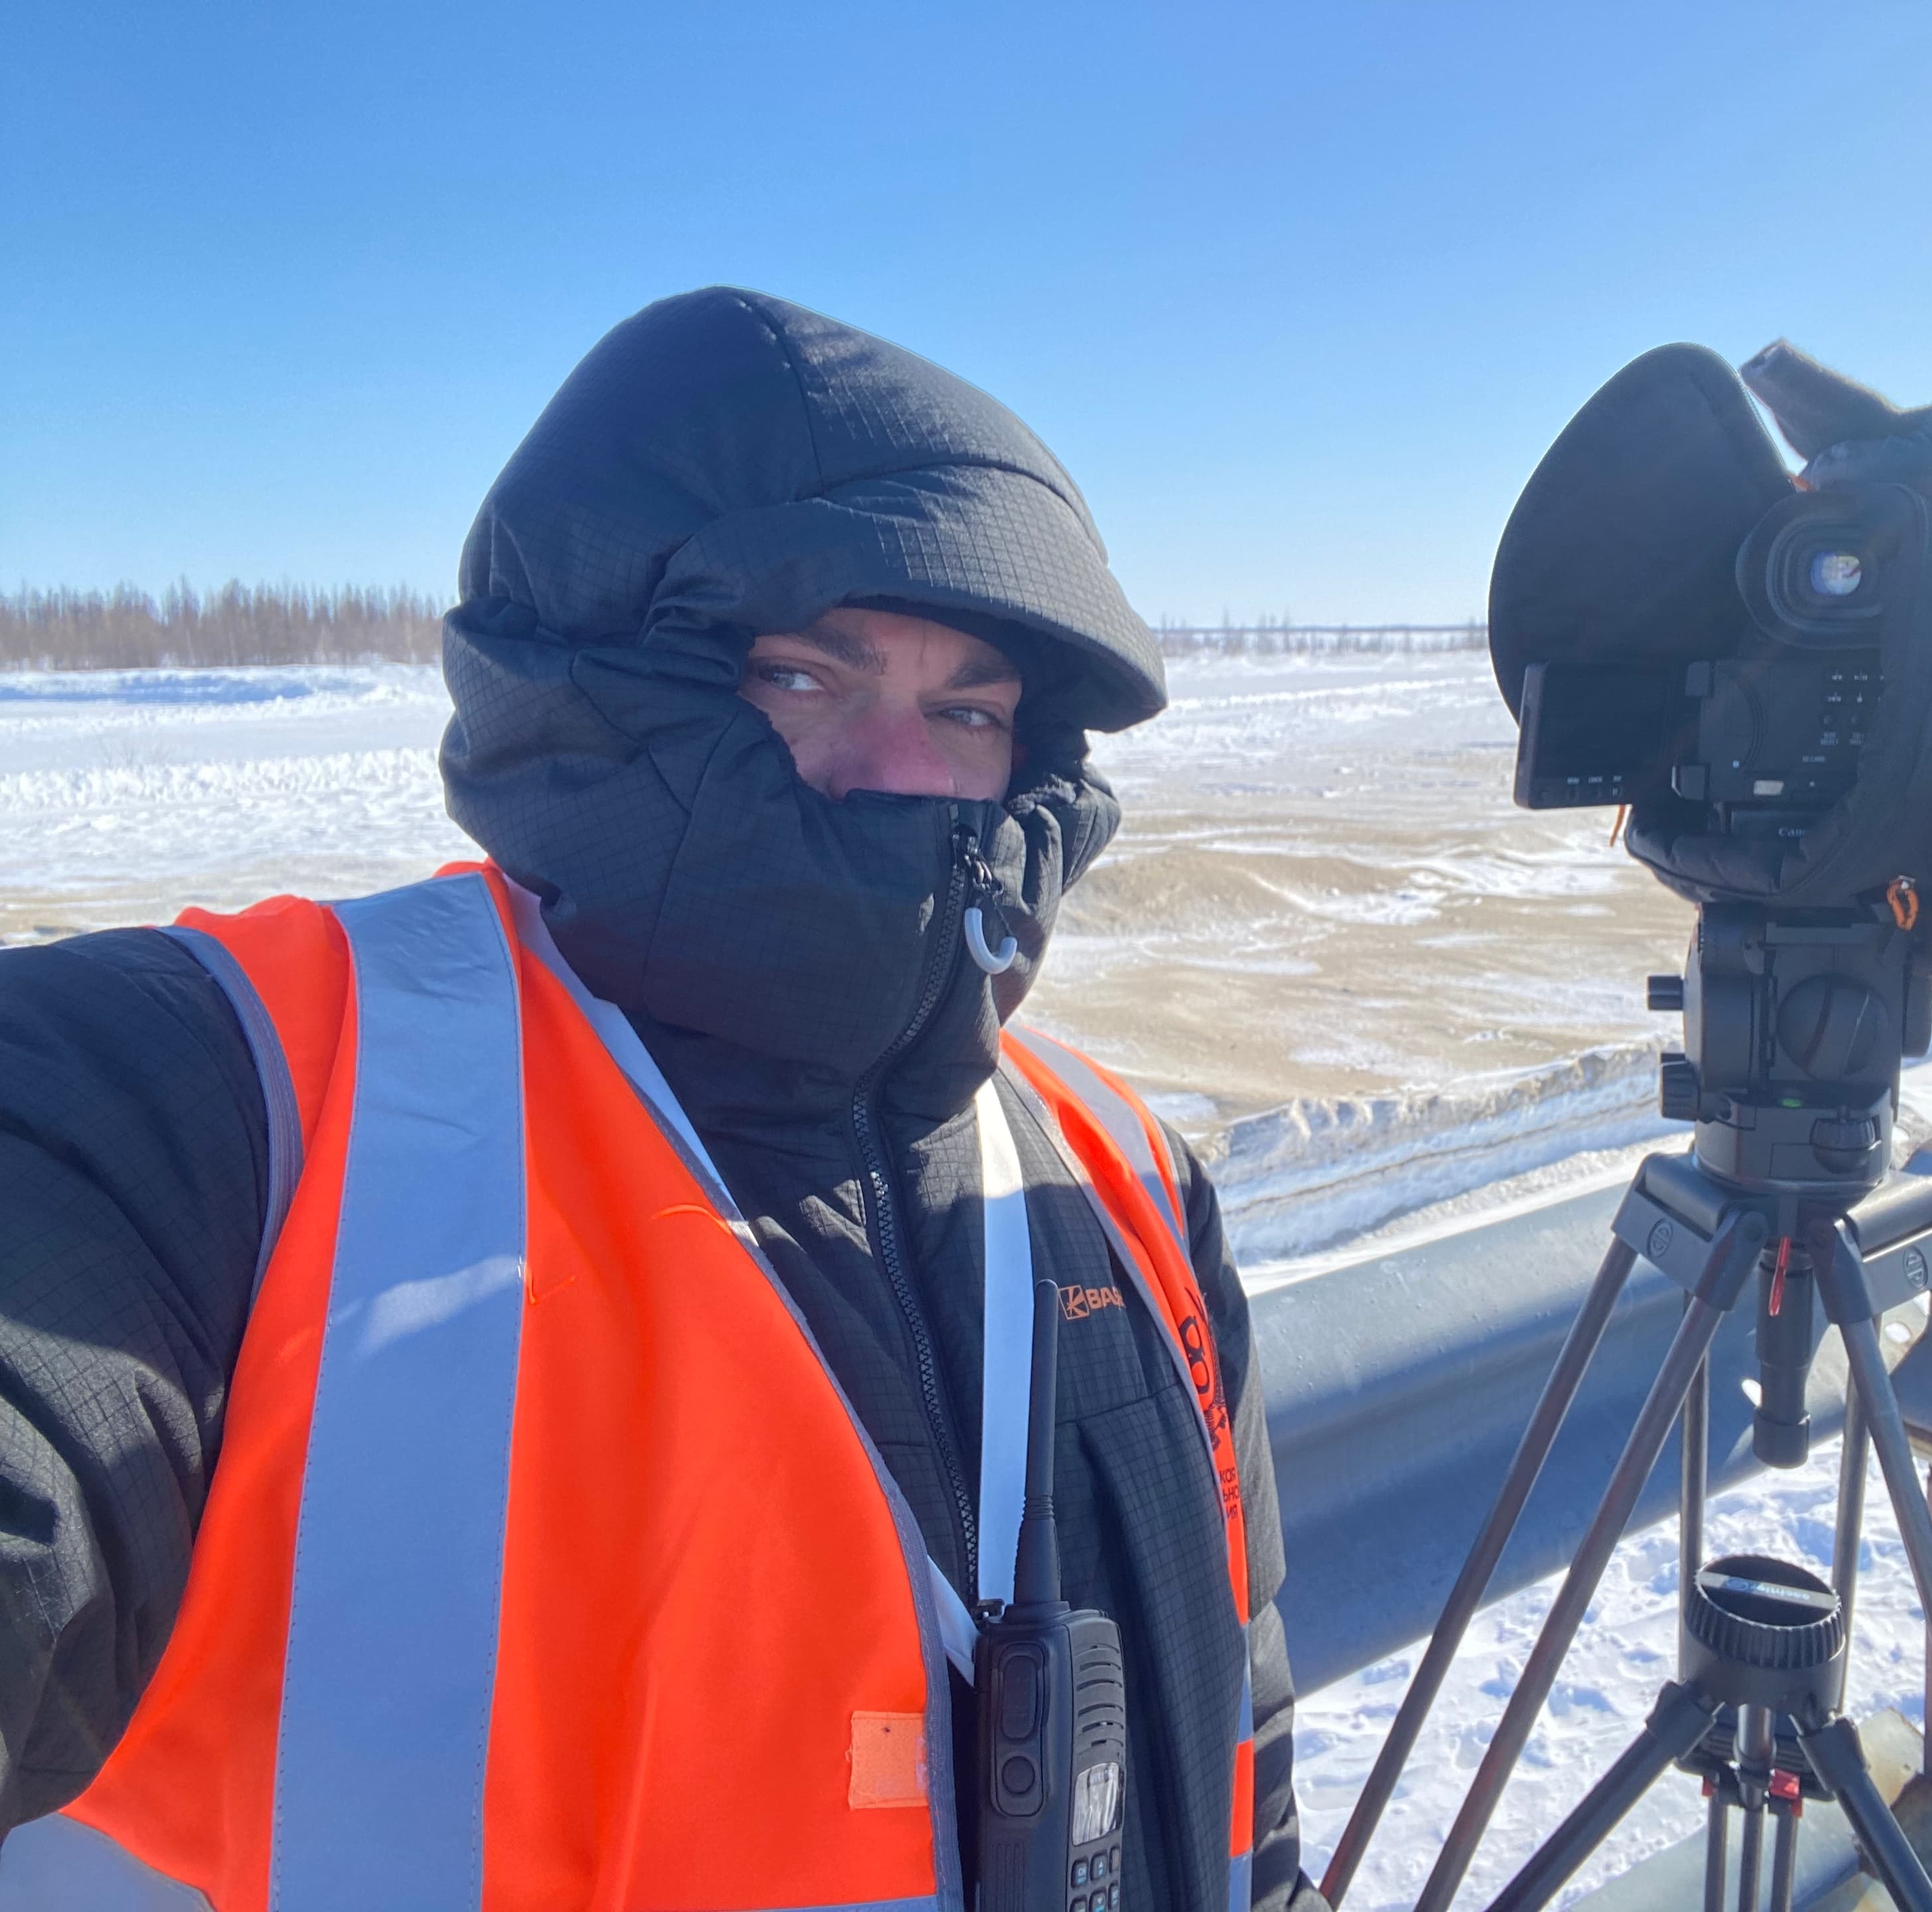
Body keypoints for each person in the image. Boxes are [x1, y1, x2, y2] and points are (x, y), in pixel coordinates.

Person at [0, 289, 1329, 1911]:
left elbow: (1247, 1758)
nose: (906, 774)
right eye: (801, 675)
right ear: (593, 682)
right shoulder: (215, 1100)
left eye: (968, 710)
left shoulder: (1126, 1180)